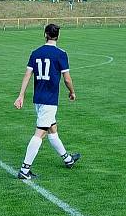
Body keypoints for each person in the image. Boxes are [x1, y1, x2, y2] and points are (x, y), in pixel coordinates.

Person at [13, 24, 80, 180]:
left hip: (38, 98)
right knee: (40, 133)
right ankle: (24, 170)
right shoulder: (61, 54)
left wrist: (21, 95)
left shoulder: (35, 53)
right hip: (50, 100)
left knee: (52, 129)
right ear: (58, 36)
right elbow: (67, 79)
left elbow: (27, 75)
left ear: (45, 35)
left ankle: (68, 159)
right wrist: (72, 92)